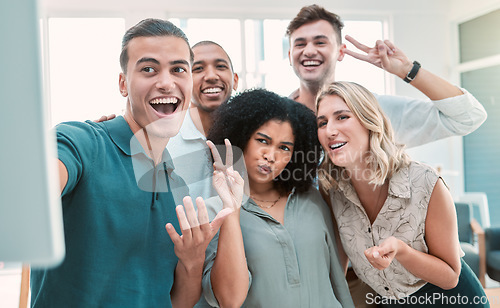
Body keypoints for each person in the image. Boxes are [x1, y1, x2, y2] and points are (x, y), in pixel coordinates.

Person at [30, 19, 233, 308]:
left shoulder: (175, 183)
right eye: (148, 69)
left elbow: (178, 302)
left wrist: (194, 258)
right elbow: (35, 187)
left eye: (178, 69)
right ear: (123, 84)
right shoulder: (82, 142)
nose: (166, 82)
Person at [316, 81, 489, 307]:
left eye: (342, 117)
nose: (330, 130)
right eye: (322, 122)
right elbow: (339, 261)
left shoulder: (425, 182)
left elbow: (450, 277)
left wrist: (402, 251)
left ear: (369, 121)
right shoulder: (332, 189)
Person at [198, 88, 354, 307]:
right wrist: (232, 211)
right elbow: (229, 300)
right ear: (242, 139)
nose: (271, 156)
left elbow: (336, 280)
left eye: (284, 147)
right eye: (263, 141)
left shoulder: (312, 198)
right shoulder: (214, 212)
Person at [287, 4, 487, 148]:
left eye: (320, 42)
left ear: (341, 52)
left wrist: (408, 70)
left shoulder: (376, 110)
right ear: (290, 55)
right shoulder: (274, 116)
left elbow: (468, 117)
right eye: (300, 44)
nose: (310, 51)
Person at [167, 41, 239, 200]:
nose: (212, 76)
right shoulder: (164, 138)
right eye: (198, 68)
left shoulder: (253, 134)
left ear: (235, 80)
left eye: (221, 66)